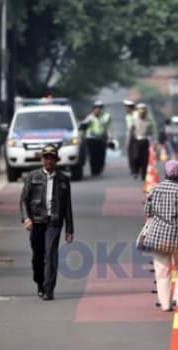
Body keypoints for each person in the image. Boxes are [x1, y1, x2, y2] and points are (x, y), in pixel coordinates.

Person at [20, 144, 74, 300]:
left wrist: (69, 229)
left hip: (54, 222)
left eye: (51, 158)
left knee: (50, 254)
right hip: (36, 222)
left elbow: (67, 206)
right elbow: (24, 199)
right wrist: (26, 218)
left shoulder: (63, 180)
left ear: (56, 160)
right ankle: (40, 283)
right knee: (38, 256)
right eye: (46, 158)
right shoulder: (32, 177)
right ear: (42, 159)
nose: (48, 161)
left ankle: (49, 289)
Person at [143, 160, 178, 312]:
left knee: (162, 271)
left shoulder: (154, 189)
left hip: (158, 237)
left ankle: (165, 304)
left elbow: (147, 211)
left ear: (165, 173)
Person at [83, 100, 111, 176]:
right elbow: (83, 127)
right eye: (96, 108)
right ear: (93, 109)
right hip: (91, 139)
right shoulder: (89, 117)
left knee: (101, 155)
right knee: (93, 155)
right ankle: (94, 170)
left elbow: (108, 128)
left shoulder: (105, 117)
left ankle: (99, 168)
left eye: (100, 108)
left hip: (101, 138)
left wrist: (109, 138)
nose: (98, 109)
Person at [130, 103, 156, 180]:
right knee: (136, 157)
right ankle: (135, 171)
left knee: (145, 159)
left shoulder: (149, 121)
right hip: (137, 141)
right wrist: (130, 141)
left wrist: (154, 143)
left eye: (144, 110)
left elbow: (152, 133)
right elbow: (131, 131)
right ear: (138, 111)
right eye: (140, 110)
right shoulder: (135, 121)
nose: (142, 111)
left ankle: (144, 175)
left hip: (145, 141)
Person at [123, 100, 138, 176]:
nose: (125, 109)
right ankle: (133, 170)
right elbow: (128, 128)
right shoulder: (127, 116)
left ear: (130, 107)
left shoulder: (136, 114)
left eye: (126, 107)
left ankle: (136, 169)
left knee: (136, 154)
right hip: (130, 136)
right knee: (130, 153)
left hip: (137, 137)